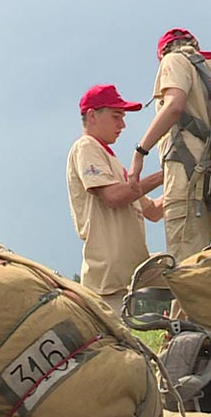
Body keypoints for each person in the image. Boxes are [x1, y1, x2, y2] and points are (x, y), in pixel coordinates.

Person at [128, 28, 211, 260]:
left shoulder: (174, 60)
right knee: (200, 264)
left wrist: (140, 152)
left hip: (187, 180)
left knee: (186, 267)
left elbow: (174, 105)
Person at [66, 84, 164, 310]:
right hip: (110, 282)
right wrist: (163, 176)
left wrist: (183, 182)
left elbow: (154, 211)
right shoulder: (86, 147)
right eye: (116, 116)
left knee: (184, 281)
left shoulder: (113, 162)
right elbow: (112, 197)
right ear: (92, 116)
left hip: (131, 274)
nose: (123, 124)